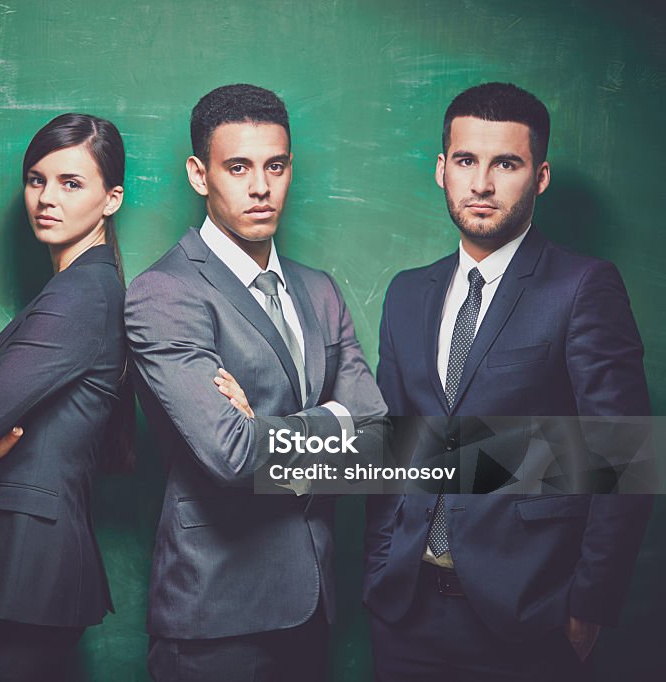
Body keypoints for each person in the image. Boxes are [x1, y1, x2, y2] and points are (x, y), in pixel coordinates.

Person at [363, 82, 653, 681]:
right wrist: (380, 562)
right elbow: (396, 443)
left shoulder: (582, 287)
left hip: (528, 614)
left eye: (507, 163)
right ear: (442, 169)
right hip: (406, 607)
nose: (482, 183)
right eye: (466, 161)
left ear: (539, 176)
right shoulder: (407, 292)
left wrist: (588, 607)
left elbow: (624, 455)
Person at [125, 84, 387, 682]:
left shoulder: (318, 289)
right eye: (237, 167)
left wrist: (275, 428)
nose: (260, 187)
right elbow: (233, 455)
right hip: (215, 614)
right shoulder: (165, 293)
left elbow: (378, 437)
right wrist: (334, 418)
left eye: (275, 166)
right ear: (199, 174)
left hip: (312, 605)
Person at [0, 113, 130, 681]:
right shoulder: (75, 288)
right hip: (16, 566)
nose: (46, 197)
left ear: (110, 199)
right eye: (37, 179)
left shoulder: (82, 295)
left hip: (28, 568)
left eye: (71, 183)